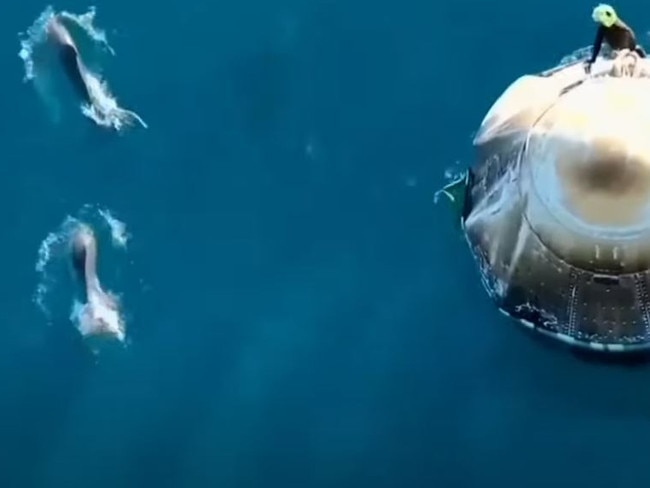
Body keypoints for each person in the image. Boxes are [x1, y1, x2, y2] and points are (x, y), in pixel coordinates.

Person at [587, 4, 646, 72]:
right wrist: (593, 59)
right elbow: (597, 43)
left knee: (625, 54)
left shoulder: (624, 31)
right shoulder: (603, 28)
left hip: (625, 46)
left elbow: (625, 48)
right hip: (616, 46)